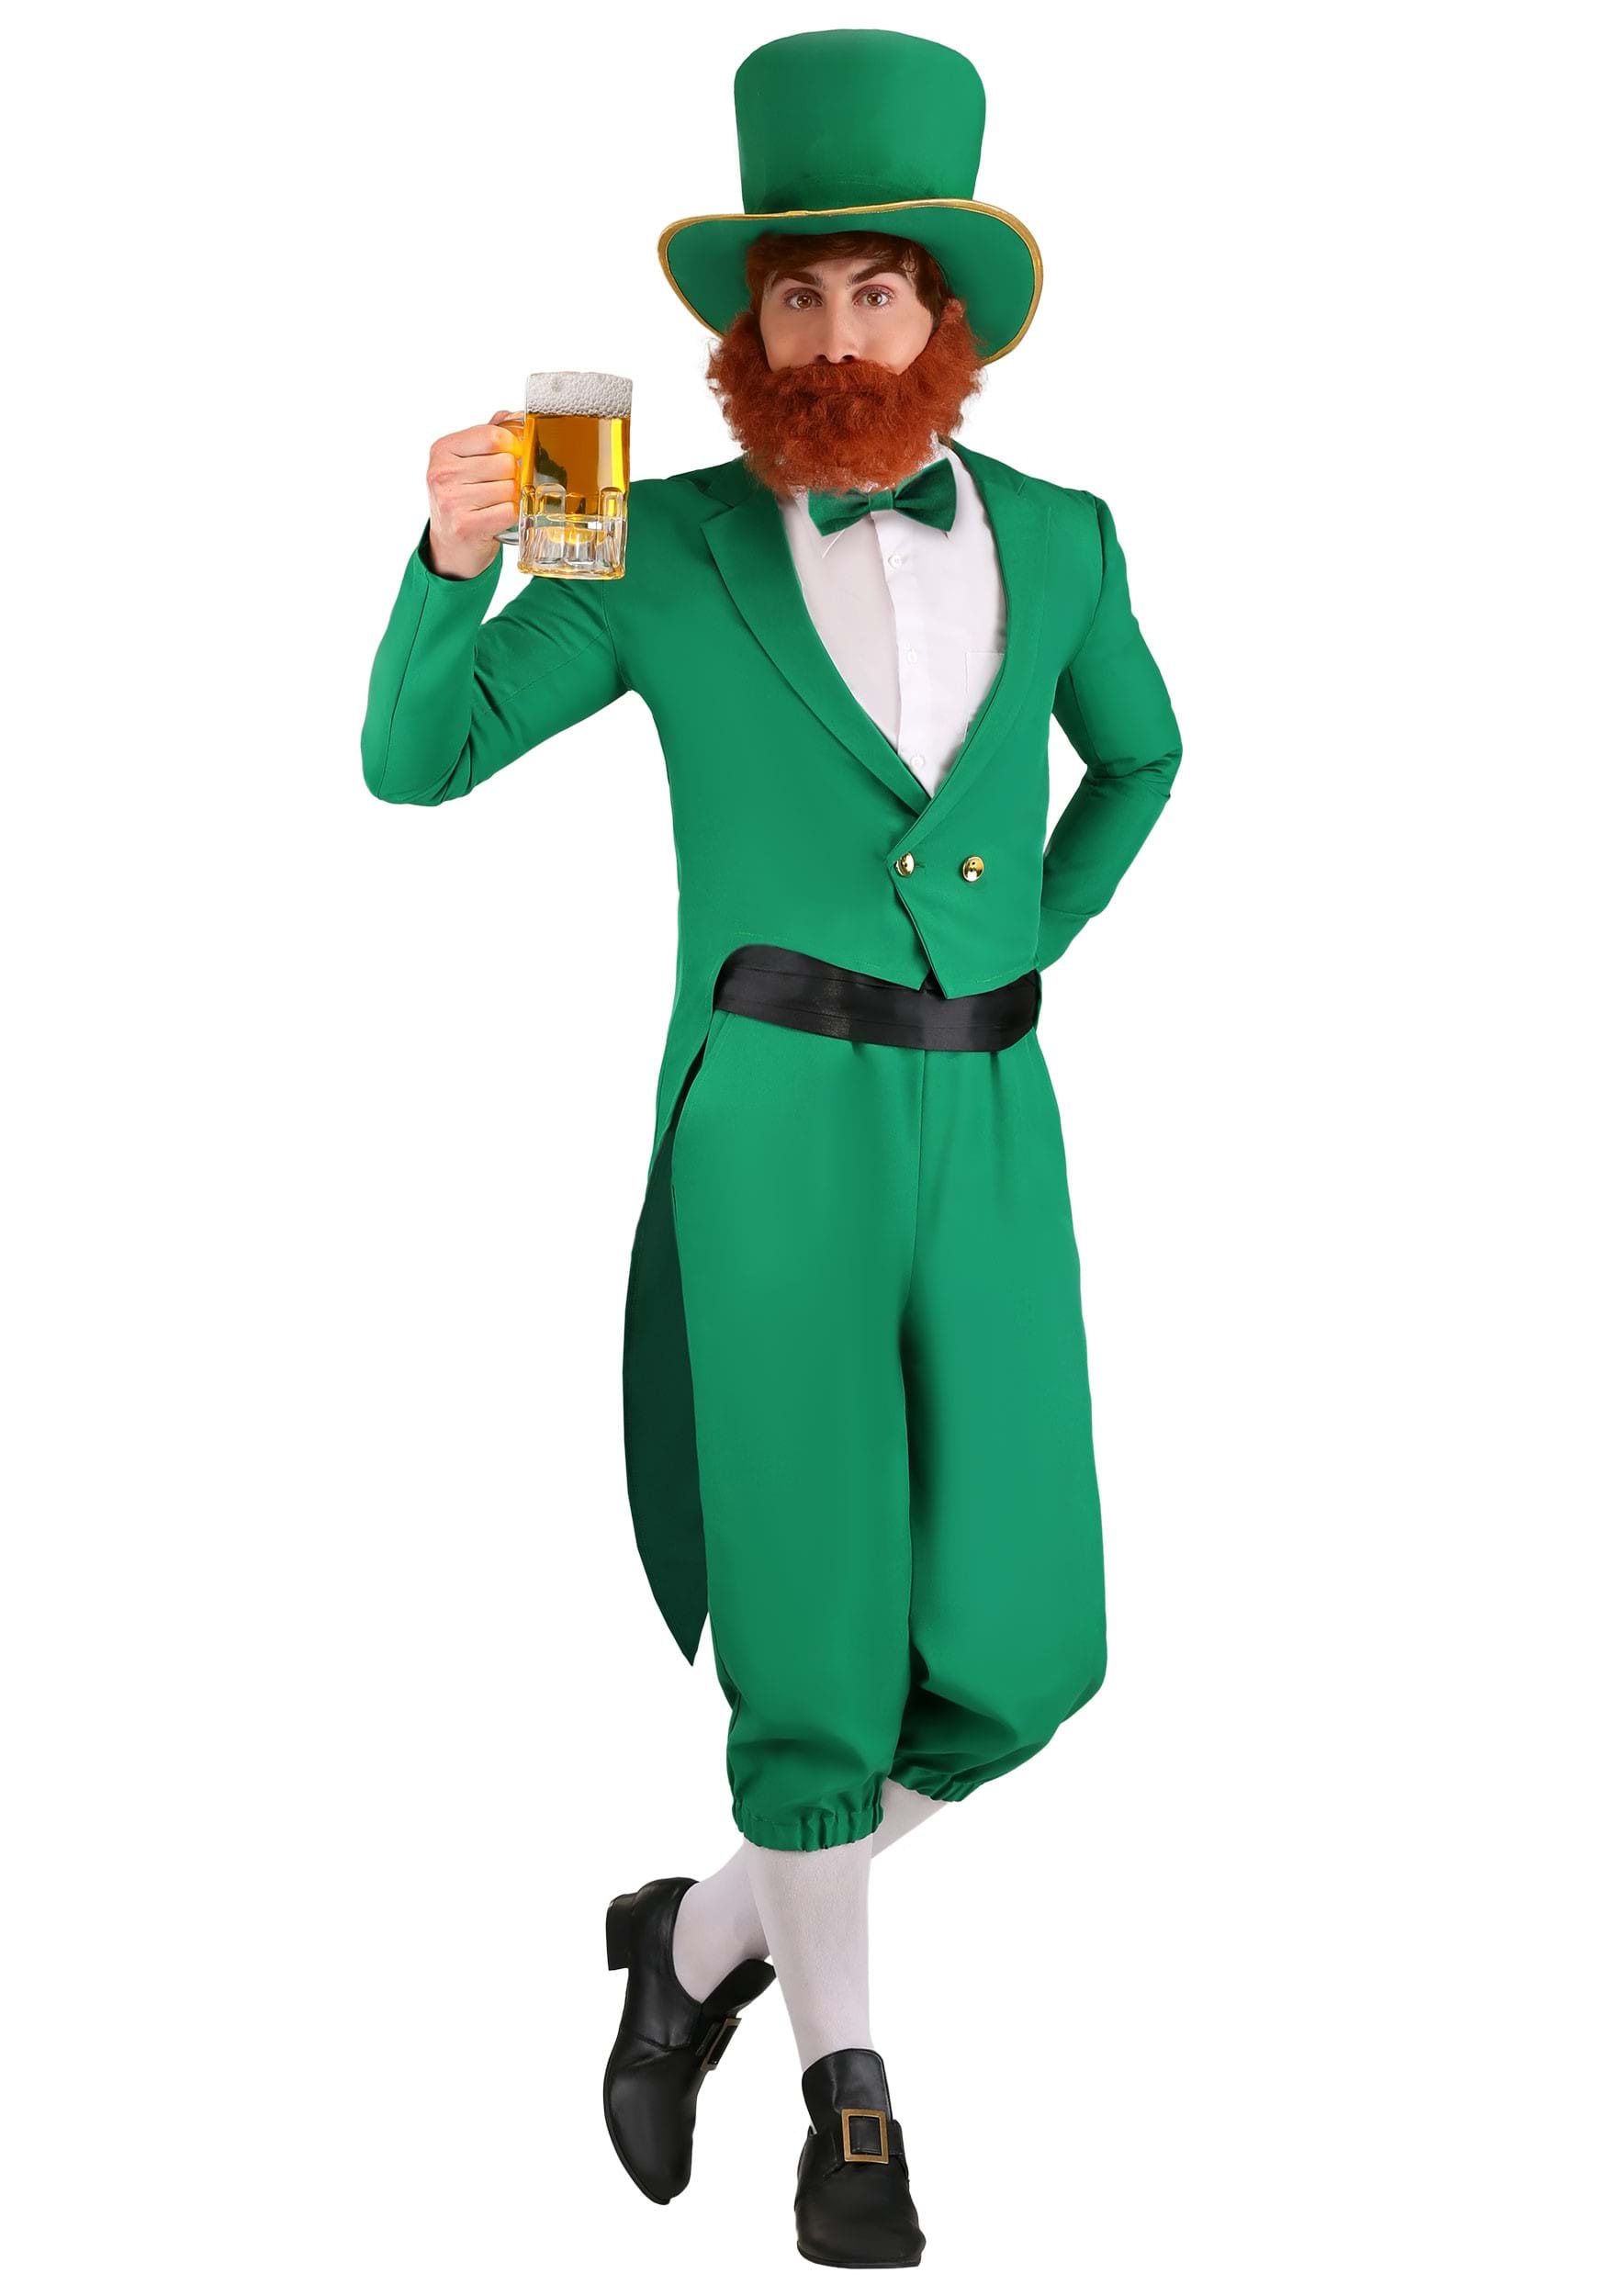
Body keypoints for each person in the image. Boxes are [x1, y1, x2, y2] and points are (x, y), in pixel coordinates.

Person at [360, 29, 1183, 2270]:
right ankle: (849, 2092)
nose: (833, 332)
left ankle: (694, 1936)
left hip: (989, 1103)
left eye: (874, 291)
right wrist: (449, 561)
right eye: (796, 293)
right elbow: (415, 759)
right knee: (813, 1631)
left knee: (1026, 1641)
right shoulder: (651, 529)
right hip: (773, 1114)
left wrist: (1032, 935)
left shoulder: (1066, 537)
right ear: (748, 322)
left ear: (947, 319)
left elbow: (1141, 758)